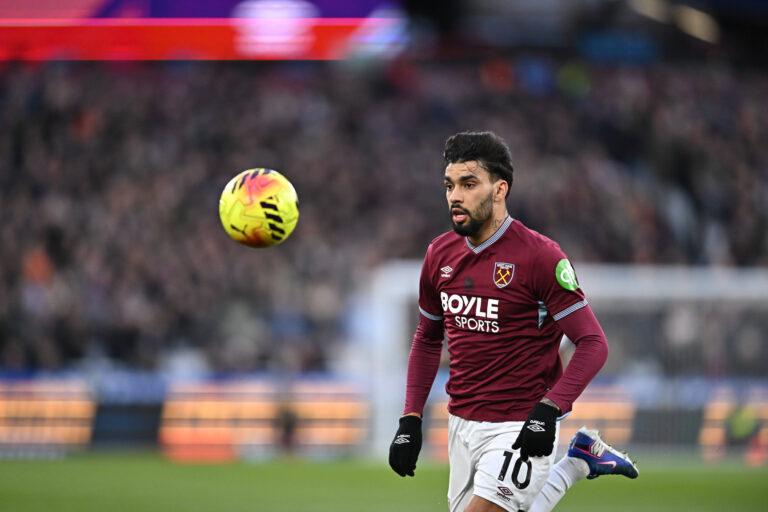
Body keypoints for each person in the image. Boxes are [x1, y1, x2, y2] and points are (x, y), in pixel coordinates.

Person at [388, 131, 638, 512]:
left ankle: (572, 459)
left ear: (500, 189)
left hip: (520, 422)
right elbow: (426, 338)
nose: (455, 195)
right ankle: (576, 461)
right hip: (462, 422)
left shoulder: (540, 256)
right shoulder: (439, 254)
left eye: (469, 184)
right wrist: (410, 420)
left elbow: (593, 343)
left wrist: (550, 408)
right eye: (449, 185)